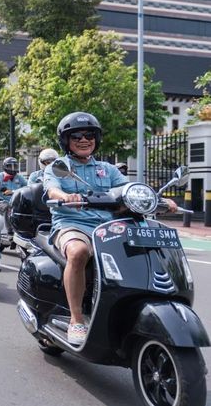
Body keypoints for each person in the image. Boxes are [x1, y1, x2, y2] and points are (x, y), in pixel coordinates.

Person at [43, 111, 178, 345]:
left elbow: (128, 190)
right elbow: (52, 189)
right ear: (66, 141)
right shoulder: (58, 166)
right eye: (76, 136)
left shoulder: (108, 169)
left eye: (89, 135)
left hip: (109, 228)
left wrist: (158, 200)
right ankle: (76, 319)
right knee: (78, 252)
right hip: (73, 225)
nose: (84, 140)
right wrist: (64, 196)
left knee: (143, 250)